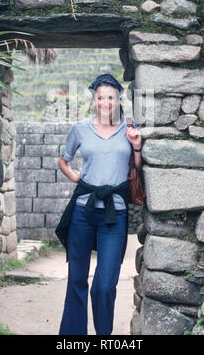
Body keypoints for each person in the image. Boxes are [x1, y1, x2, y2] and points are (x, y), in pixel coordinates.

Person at [55, 73, 142, 335]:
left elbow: (137, 171)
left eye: (111, 97)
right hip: (83, 211)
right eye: (101, 97)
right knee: (77, 280)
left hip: (114, 215)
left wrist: (137, 148)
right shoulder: (81, 129)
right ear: (94, 101)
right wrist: (76, 177)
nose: (106, 102)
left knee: (105, 284)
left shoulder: (129, 128)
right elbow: (64, 160)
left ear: (118, 100)